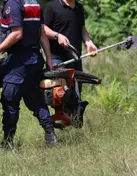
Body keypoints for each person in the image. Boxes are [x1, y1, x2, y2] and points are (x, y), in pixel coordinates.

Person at [0, 0, 58, 148]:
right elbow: (41, 32)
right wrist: (49, 58)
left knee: (10, 100)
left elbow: (17, 34)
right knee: (34, 99)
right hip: (34, 59)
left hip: (18, 61)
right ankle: (50, 135)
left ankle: (8, 142)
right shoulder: (34, 3)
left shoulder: (13, 4)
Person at [43, 0, 98, 93]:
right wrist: (57, 36)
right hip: (57, 59)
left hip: (76, 58)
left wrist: (89, 42)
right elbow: (43, 29)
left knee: (76, 94)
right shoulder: (52, 7)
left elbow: (82, 27)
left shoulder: (79, 7)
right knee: (61, 95)